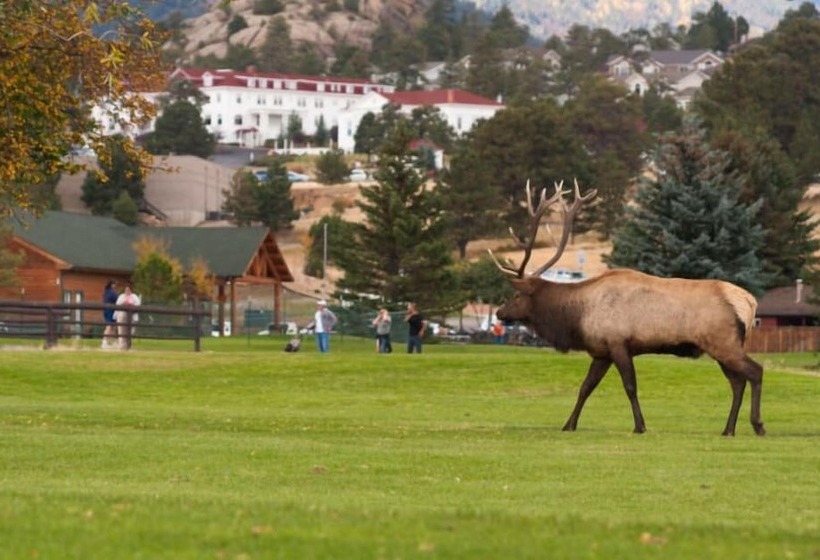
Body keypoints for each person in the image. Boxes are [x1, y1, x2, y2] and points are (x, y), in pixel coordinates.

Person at [114, 284, 141, 350]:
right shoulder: (121, 296)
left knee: (131, 332)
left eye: (128, 290)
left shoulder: (134, 296)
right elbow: (117, 304)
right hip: (122, 317)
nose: (127, 291)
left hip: (132, 317)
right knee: (121, 331)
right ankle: (121, 346)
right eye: (126, 290)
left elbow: (138, 304)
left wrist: (131, 304)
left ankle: (128, 345)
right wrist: (124, 303)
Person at [101, 280, 118, 348]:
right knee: (109, 326)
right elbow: (117, 299)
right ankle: (104, 341)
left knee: (113, 327)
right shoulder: (112, 292)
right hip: (110, 310)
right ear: (112, 285)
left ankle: (112, 342)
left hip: (106, 310)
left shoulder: (106, 292)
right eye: (114, 284)